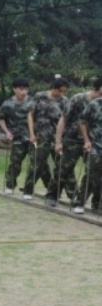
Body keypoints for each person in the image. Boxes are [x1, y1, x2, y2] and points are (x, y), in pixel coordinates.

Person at [45, 78, 102, 210]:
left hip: (94, 143)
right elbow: (63, 119)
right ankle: (52, 196)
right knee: (63, 169)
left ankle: (96, 202)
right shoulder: (78, 98)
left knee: (95, 173)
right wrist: (58, 141)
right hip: (73, 140)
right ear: (97, 88)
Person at [0, 77, 51, 194]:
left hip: (33, 138)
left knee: (40, 163)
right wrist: (6, 131)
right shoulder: (7, 104)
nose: (23, 92)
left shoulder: (32, 102)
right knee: (15, 163)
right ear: (14, 89)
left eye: (26, 89)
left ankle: (50, 188)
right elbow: (0, 118)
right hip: (18, 139)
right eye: (21, 89)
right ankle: (10, 185)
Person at [22, 76, 70, 202]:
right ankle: (28, 190)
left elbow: (66, 120)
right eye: (59, 90)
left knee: (60, 165)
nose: (61, 93)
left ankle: (54, 193)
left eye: (64, 91)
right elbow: (30, 115)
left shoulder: (64, 101)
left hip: (56, 138)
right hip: (40, 136)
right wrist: (31, 133)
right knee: (36, 164)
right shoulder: (40, 96)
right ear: (53, 87)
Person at [71, 96, 102, 214]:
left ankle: (98, 204)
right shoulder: (95, 104)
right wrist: (86, 140)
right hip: (96, 145)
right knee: (90, 175)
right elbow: (82, 121)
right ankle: (80, 203)